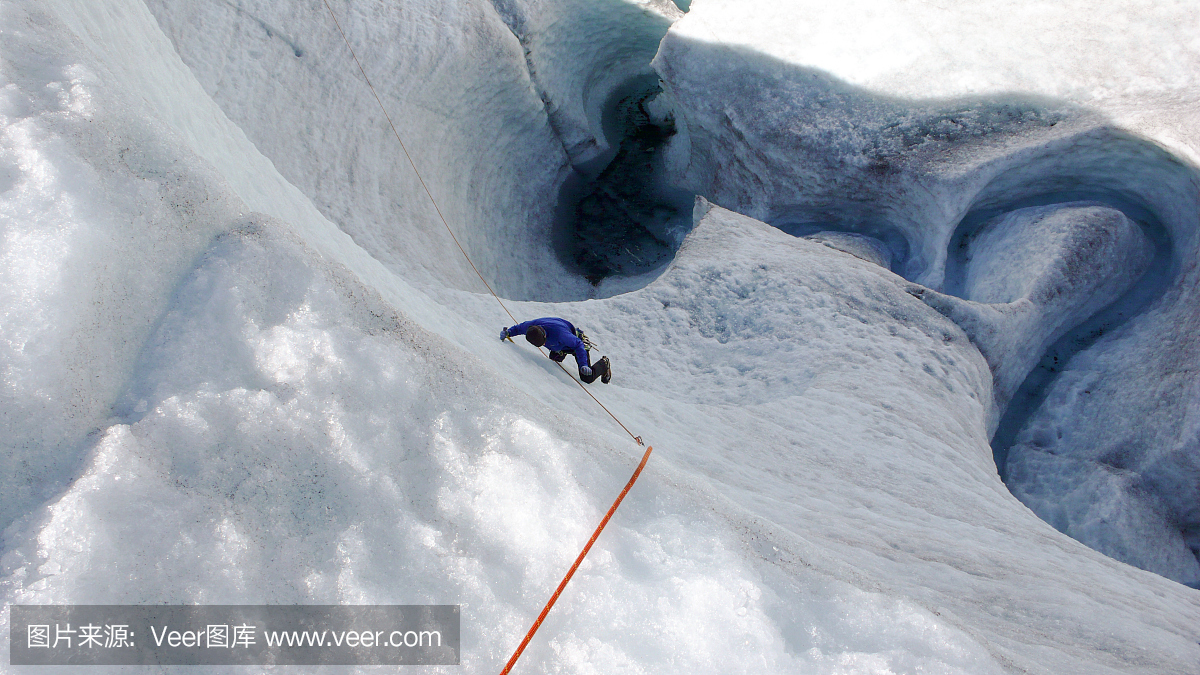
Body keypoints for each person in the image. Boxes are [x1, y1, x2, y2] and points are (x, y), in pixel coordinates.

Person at [501, 317, 611, 384]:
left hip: (576, 345)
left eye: (544, 343)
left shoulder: (560, 334)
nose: (544, 345)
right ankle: (559, 351)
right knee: (553, 362)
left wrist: (583, 365)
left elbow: (578, 345)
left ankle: (604, 364)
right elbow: (519, 328)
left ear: (545, 335)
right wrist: (508, 333)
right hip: (559, 347)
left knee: (587, 378)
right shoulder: (532, 327)